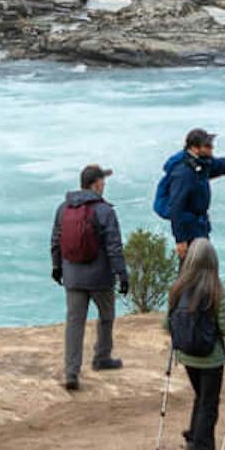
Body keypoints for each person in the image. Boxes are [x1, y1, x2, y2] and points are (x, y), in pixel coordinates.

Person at [166, 236, 225, 450]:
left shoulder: (177, 288)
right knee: (208, 403)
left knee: (200, 398)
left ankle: (192, 440)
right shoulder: (216, 291)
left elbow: (167, 323)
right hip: (210, 358)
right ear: (213, 260)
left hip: (186, 355)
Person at [51, 162, 128, 392]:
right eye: (103, 180)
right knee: (106, 315)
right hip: (100, 277)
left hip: (73, 275)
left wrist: (57, 267)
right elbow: (114, 246)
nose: (104, 184)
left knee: (75, 323)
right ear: (95, 184)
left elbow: (56, 240)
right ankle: (102, 357)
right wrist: (122, 274)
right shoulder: (105, 210)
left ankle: (71, 372)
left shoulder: (63, 208)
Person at [152, 127, 225, 248]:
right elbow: (176, 207)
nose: (212, 148)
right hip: (188, 227)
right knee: (193, 264)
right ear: (194, 148)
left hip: (199, 224)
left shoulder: (202, 162)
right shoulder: (184, 173)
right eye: (207, 146)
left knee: (203, 262)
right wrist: (180, 240)